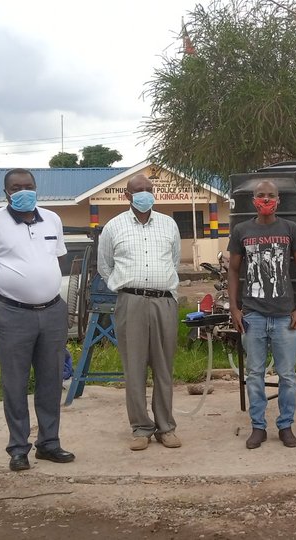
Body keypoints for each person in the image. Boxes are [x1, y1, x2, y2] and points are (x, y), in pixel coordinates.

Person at [0, 168, 75, 471]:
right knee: (15, 383)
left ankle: (49, 443)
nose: (23, 191)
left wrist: (41, 283)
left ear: (36, 188)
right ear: (6, 193)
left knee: (51, 380)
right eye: (16, 188)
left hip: (52, 312)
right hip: (14, 315)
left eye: (28, 186)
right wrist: (3, 294)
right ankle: (18, 449)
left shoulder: (52, 219)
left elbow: (57, 257)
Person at [97, 174, 183, 451]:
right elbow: (104, 266)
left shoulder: (169, 224)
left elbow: (173, 261)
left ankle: (166, 427)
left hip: (163, 302)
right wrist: (123, 286)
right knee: (134, 368)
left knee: (163, 367)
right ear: (127, 195)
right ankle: (141, 428)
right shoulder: (113, 227)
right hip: (130, 302)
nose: (145, 193)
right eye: (138, 190)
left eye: (149, 189)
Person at [227, 180, 296, 449]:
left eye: (270, 195)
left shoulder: (290, 229)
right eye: (261, 195)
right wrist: (235, 308)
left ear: (278, 199)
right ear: (253, 200)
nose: (265, 199)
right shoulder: (241, 231)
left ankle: (286, 426)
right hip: (253, 316)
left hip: (285, 316)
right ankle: (258, 427)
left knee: (287, 376)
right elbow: (233, 270)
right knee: (255, 375)